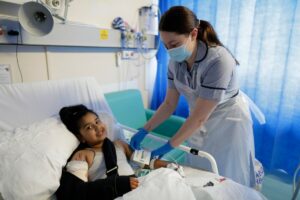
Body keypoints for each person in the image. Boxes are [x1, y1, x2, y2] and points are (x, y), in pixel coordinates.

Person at [130, 6, 256, 187]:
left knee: (227, 172)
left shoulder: (219, 61)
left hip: (228, 119)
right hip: (198, 116)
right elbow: (169, 104)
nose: (170, 50)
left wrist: (169, 145)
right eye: (166, 45)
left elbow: (199, 117)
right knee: (198, 166)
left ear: (193, 34)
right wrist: (145, 129)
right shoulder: (175, 62)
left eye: (174, 44)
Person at [56, 104, 180, 200]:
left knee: (168, 177)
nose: (97, 127)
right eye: (89, 127)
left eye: (97, 121)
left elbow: (147, 162)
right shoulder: (83, 155)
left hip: (137, 189)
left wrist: (168, 165)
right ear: (81, 137)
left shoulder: (120, 144)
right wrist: (117, 184)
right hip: (114, 195)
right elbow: (77, 192)